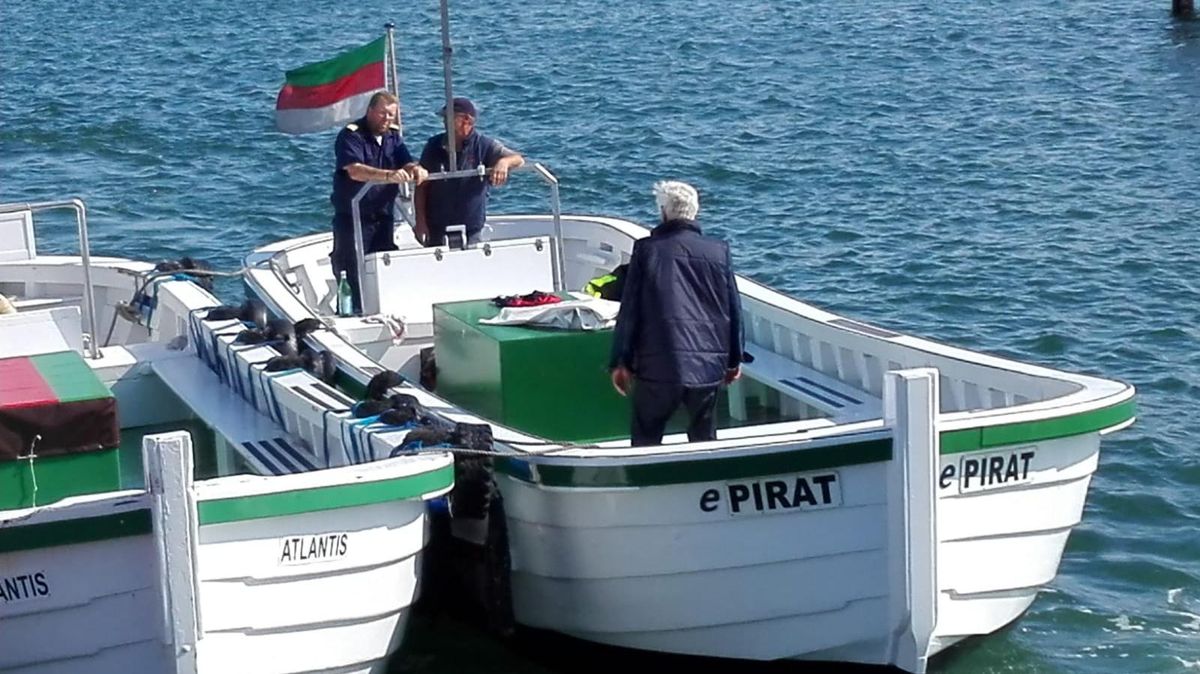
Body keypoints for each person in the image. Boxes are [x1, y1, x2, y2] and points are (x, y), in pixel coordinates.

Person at [608, 180, 744, 447]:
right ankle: (706, 484)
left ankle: (648, 484)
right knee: (704, 440)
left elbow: (631, 311)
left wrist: (620, 361)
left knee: (647, 437)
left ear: (663, 213)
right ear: (695, 212)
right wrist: (734, 359)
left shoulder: (647, 250)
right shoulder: (718, 251)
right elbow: (733, 309)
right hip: (708, 365)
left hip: (658, 365)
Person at [329, 91, 428, 314]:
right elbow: (354, 170)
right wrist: (388, 176)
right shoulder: (351, 135)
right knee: (351, 267)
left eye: (391, 115)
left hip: (382, 217)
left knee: (384, 264)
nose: (386, 119)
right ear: (371, 111)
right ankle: (353, 311)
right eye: (383, 114)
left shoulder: (393, 137)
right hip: (353, 218)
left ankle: (384, 311)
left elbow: (406, 160)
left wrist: (415, 169)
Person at [414, 97, 525, 247]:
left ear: (466, 120)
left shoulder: (483, 145)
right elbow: (421, 187)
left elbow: (518, 159)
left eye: (448, 118)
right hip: (436, 228)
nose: (445, 123)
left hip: (471, 229)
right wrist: (420, 222)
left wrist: (503, 162)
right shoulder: (433, 146)